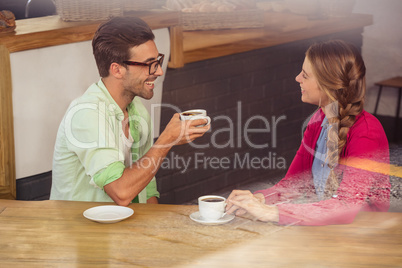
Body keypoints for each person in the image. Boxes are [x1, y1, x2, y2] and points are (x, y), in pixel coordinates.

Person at [226, 40, 391, 226]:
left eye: (305, 75)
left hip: (364, 236)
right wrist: (259, 200)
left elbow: (347, 206)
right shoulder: (318, 121)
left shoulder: (367, 133)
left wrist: (272, 212)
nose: (297, 78)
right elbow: (293, 185)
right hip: (330, 229)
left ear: (329, 84)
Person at [50, 17, 210, 205]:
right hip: (80, 231)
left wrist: (154, 231)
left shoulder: (137, 111)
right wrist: (165, 141)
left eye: (158, 61)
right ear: (117, 70)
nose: (159, 71)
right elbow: (121, 192)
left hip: (120, 229)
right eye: (149, 63)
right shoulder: (87, 114)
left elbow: (146, 184)